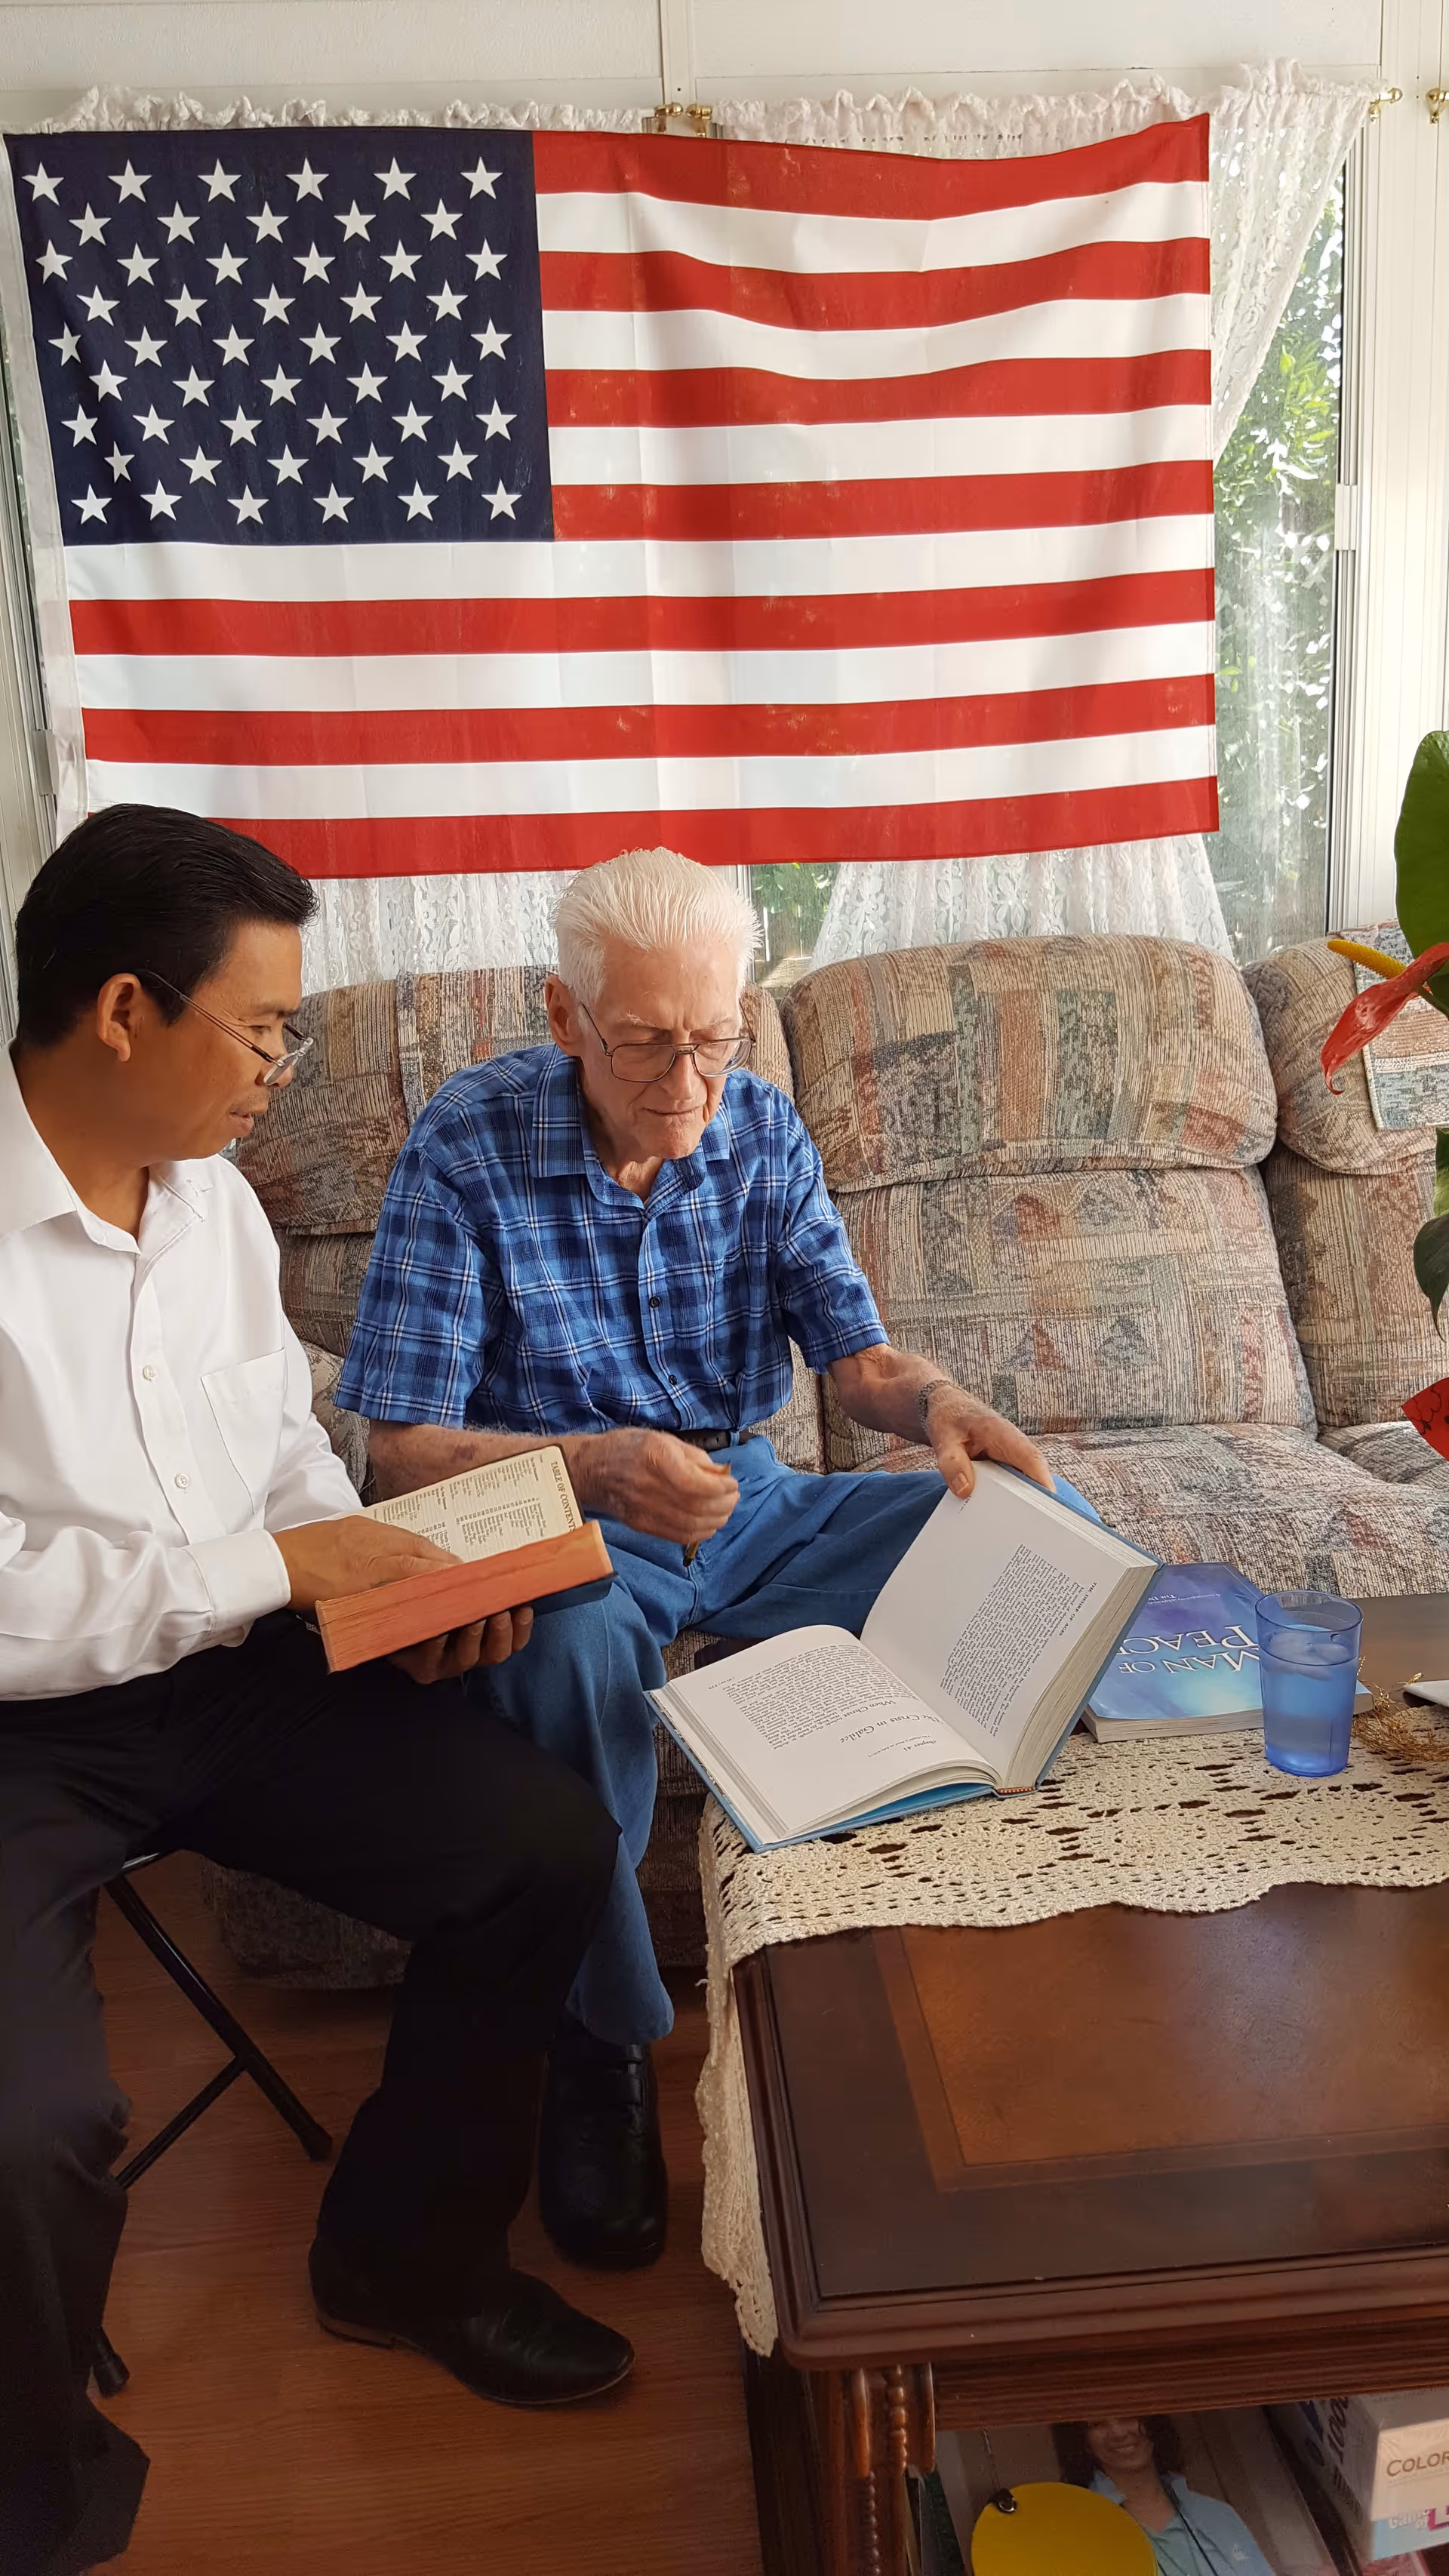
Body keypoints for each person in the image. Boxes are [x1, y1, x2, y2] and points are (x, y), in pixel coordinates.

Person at [0, 808, 633, 2576]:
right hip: (22, 1731)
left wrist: (389, 1580)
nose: (286, 1064)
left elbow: (281, 1459)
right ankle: (37, 2484)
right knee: (29, 2119)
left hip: (235, 1666)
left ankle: (405, 2259)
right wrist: (278, 1572)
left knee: (542, 1845)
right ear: (124, 1007)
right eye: (263, 1026)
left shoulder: (209, 1210)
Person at [337, 846, 1085, 2273]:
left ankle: (986, 1940)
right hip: (564, 1508)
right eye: (645, 1043)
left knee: (1039, 1534)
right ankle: (599, 2044)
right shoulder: (467, 1138)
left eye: (715, 1038)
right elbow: (399, 1447)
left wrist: (934, 1404)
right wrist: (594, 1462)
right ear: (566, 1016)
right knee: (564, 1652)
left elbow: (854, 1362)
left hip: (751, 1494)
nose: (689, 1081)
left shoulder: (761, 1126)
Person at [1055, 2418, 1279, 2575]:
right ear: (1081, 2440)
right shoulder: (1078, 2533)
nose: (1119, 2432)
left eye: (1128, 2416)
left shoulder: (1219, 2514)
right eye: (1097, 2424)